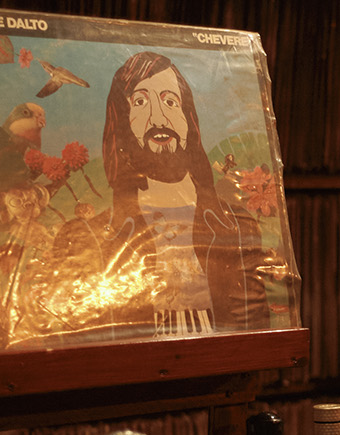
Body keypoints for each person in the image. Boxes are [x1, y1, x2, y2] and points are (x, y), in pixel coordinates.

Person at [102, 50, 272, 335]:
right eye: (140, 102)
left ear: (187, 119)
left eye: (170, 101)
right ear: (121, 122)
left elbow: (254, 332)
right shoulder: (96, 238)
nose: (158, 117)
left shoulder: (237, 228)